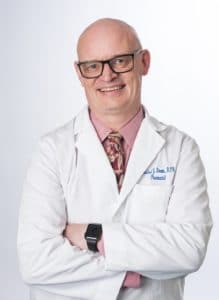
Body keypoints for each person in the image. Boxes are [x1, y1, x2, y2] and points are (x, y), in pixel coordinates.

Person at [17, 18, 213, 300]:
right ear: (79, 73)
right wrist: (130, 273)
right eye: (93, 66)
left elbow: (189, 249)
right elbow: (36, 261)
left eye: (120, 61)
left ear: (144, 62)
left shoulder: (181, 149)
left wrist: (92, 235)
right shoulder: (52, 150)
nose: (107, 76)